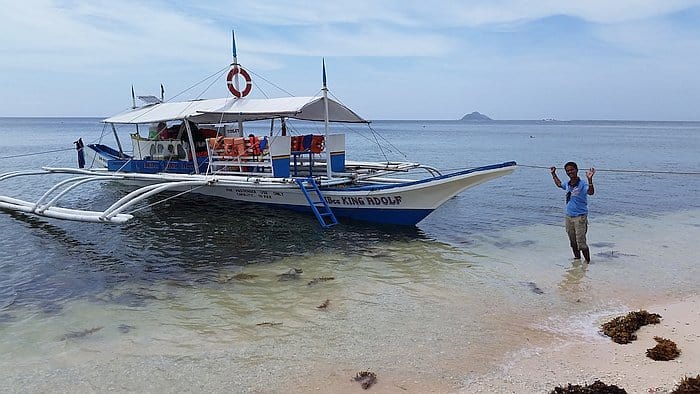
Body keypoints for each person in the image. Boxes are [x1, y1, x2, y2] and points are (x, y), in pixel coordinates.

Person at [550, 162, 596, 262]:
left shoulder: (583, 184)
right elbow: (559, 184)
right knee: (573, 242)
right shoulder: (568, 184)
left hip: (580, 217)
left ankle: (587, 263)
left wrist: (590, 179)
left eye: (572, 170)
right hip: (568, 217)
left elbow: (591, 192)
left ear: (576, 170)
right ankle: (577, 261)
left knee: (581, 243)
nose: (570, 172)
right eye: (568, 170)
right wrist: (553, 174)